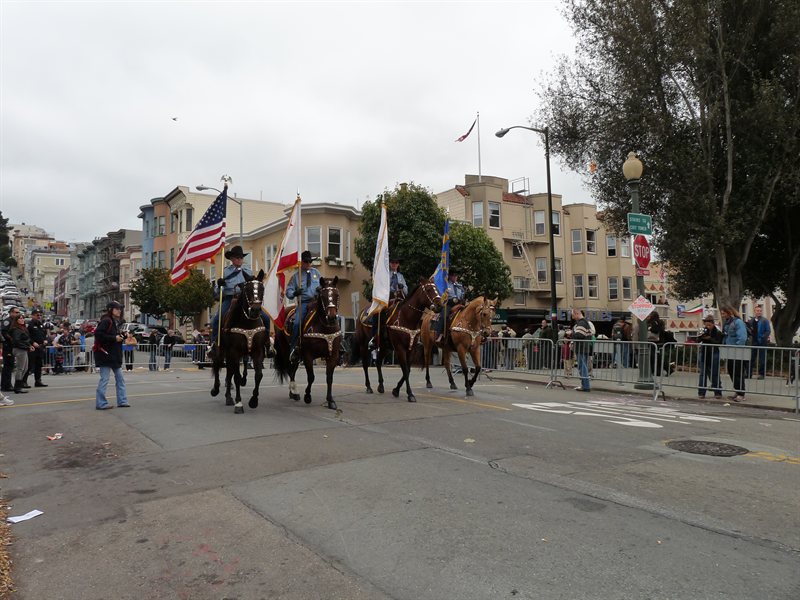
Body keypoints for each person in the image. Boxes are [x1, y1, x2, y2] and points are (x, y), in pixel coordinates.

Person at [209, 245, 270, 351]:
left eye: (241, 257)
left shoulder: (248, 271)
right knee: (217, 319)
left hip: (246, 300)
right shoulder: (226, 272)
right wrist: (219, 285)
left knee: (265, 317)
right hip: (230, 298)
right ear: (232, 259)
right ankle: (214, 343)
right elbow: (217, 292)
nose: (239, 259)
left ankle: (267, 343)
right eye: (237, 257)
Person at [285, 250, 322, 362]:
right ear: (302, 263)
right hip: (304, 303)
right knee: (297, 323)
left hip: (316, 302)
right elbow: (288, 291)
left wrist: (321, 289)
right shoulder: (296, 276)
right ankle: (294, 347)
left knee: (333, 316)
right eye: (306, 262)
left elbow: (322, 284)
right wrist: (295, 293)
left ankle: (337, 344)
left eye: (310, 262)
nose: (308, 264)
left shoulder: (317, 273)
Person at [93, 301, 130, 410]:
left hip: (113, 356)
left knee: (120, 379)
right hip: (106, 355)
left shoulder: (114, 322)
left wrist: (122, 336)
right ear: (111, 309)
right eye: (117, 308)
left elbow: (112, 337)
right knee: (105, 379)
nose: (119, 310)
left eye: (120, 308)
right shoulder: (106, 321)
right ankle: (101, 403)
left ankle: (122, 401)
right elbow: (98, 335)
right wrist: (114, 338)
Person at [368, 256, 409, 348]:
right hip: (387, 298)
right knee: (378, 313)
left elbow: (406, 290)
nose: (394, 264)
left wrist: (403, 287)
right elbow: (381, 286)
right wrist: (390, 286)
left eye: (396, 263)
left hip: (399, 298)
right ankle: (374, 337)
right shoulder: (385, 274)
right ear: (390, 264)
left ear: (398, 265)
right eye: (392, 263)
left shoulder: (400, 276)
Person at [720, 305, 748, 401]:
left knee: (738, 372)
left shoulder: (738, 322)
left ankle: (741, 393)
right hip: (729, 351)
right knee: (731, 371)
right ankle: (737, 390)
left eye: (724, 313)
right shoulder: (727, 323)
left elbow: (742, 337)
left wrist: (737, 348)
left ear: (729, 312)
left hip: (737, 351)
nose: (722, 315)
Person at [434, 268, 465, 344]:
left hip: (459, 305)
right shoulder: (446, 285)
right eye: (453, 276)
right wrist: (450, 299)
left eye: (456, 276)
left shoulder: (459, 286)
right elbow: (442, 296)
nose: (455, 277)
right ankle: (439, 334)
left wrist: (462, 299)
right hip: (449, 304)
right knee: (444, 315)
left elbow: (462, 294)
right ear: (450, 276)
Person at [697, 315, 723, 399]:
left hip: (714, 352)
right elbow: (698, 340)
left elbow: (718, 342)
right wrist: (701, 336)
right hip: (704, 352)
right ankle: (701, 392)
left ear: (713, 324)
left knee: (715, 373)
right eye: (706, 325)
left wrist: (710, 338)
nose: (708, 327)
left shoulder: (717, 332)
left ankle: (717, 392)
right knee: (703, 373)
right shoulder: (703, 330)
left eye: (709, 325)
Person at [9, 313, 34, 394]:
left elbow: (25, 340)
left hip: (23, 349)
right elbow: (17, 341)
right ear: (16, 320)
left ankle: (19, 385)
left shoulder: (22, 328)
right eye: (20, 318)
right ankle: (17, 387)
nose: (22, 319)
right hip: (19, 349)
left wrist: (29, 346)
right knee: (20, 368)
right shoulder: (16, 329)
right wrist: (27, 346)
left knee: (25, 368)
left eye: (23, 318)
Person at [747, 305, 772, 379]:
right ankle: (748, 373)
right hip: (753, 341)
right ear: (755, 312)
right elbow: (749, 329)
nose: (759, 312)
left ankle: (761, 374)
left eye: (760, 311)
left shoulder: (765, 320)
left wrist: (763, 338)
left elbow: (768, 330)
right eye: (757, 311)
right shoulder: (751, 321)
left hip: (762, 342)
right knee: (751, 358)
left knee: (762, 359)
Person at [571, 309, 592, 392]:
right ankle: (585, 385)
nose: (573, 318)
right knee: (583, 366)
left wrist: (571, 333)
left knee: (582, 367)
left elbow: (579, 335)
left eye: (573, 316)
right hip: (585, 347)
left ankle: (585, 386)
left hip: (581, 347)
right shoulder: (585, 322)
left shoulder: (581, 323)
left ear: (577, 314)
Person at [26, 308, 48, 387]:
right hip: (33, 347)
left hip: (40, 347)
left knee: (39, 365)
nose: (39, 316)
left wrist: (45, 340)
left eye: (40, 315)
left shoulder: (41, 324)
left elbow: (44, 334)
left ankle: (38, 381)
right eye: (37, 315)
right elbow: (27, 336)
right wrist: (32, 343)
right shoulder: (30, 325)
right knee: (29, 365)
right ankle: (24, 381)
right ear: (32, 316)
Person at [1, 306, 20, 392]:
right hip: (7, 346)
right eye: (16, 312)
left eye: (18, 312)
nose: (17, 314)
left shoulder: (15, 322)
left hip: (12, 346)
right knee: (7, 366)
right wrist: (11, 339)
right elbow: (4, 332)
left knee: (10, 366)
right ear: (11, 313)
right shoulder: (7, 321)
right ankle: (6, 385)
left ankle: (7, 384)